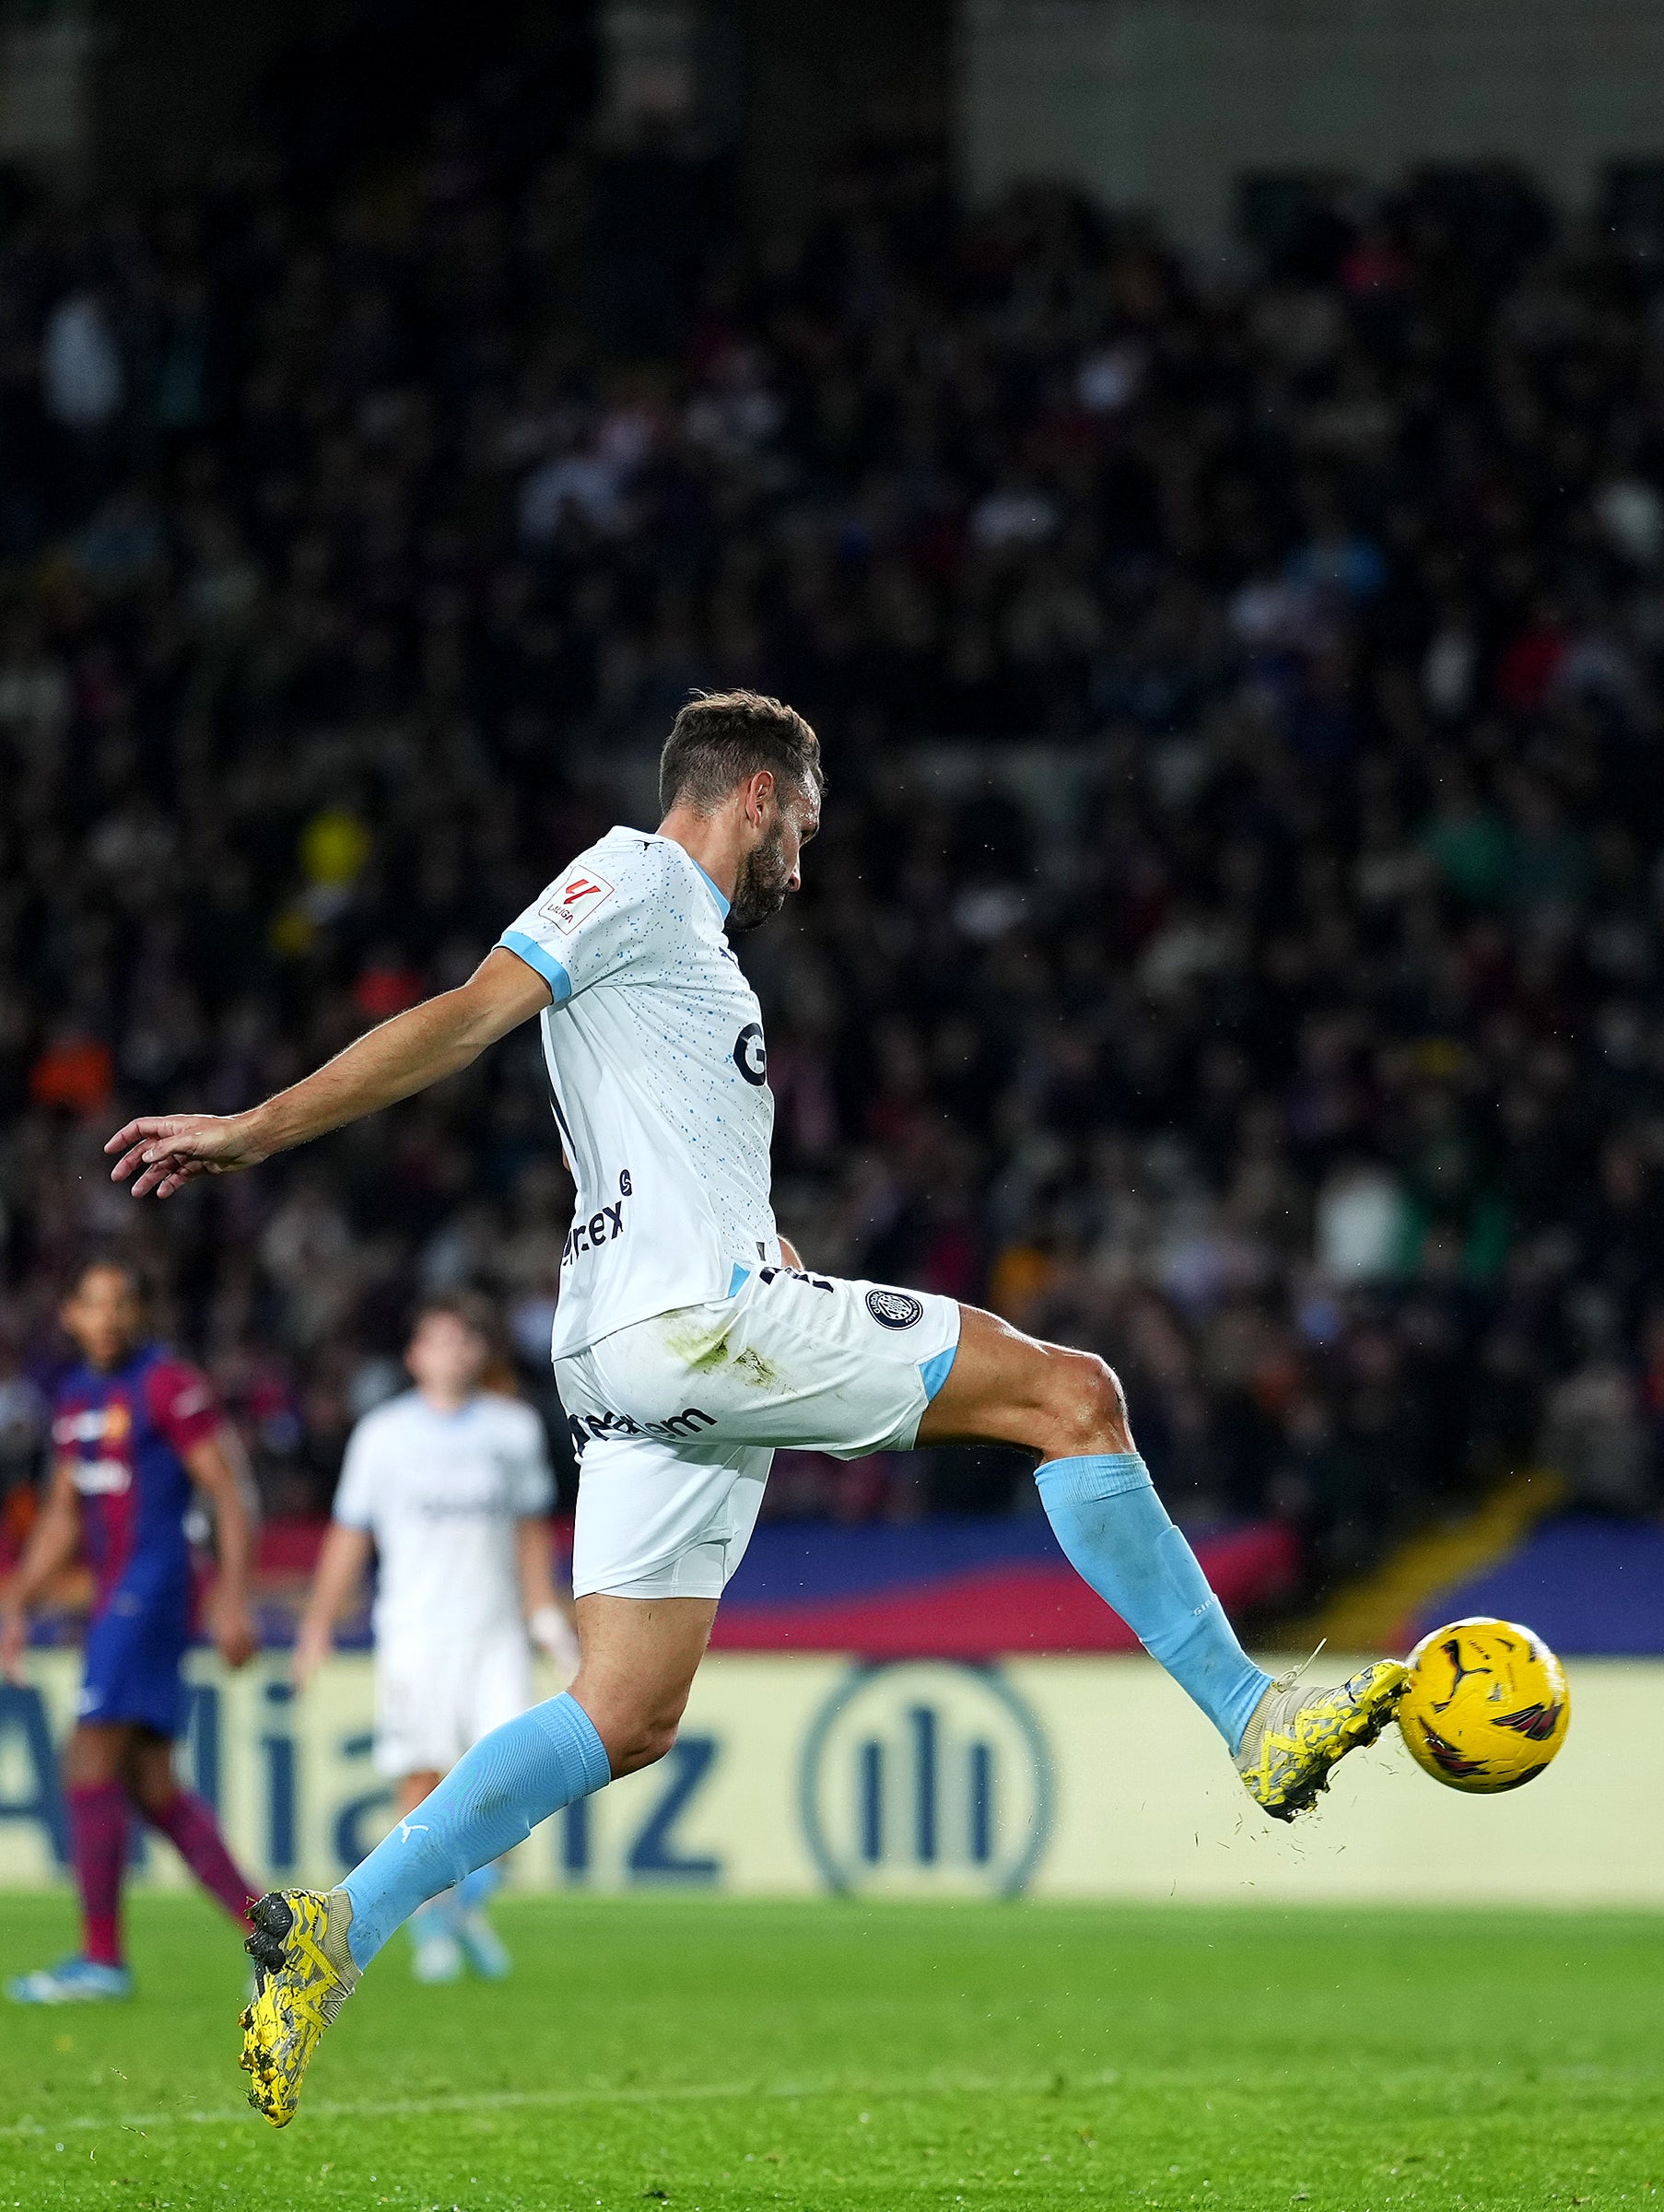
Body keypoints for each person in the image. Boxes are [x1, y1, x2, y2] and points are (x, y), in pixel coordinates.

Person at [103, 689, 1408, 2125]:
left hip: (641, 1352)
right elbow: (470, 1014)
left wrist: (768, 1246)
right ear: (754, 794)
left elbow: (660, 1140)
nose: (809, 849)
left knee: (625, 1708)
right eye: (807, 819)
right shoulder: (638, 876)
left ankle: (336, 1928)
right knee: (1073, 1393)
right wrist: (252, 1129)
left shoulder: (694, 957)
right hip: (686, 1326)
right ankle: (1250, 1719)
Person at [0, 1259, 267, 2002]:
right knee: (149, 1782)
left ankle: (101, 1960)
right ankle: (275, 1938)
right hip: (116, 1592)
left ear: (138, 1314)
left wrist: (232, 1596)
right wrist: (17, 1601)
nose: (108, 1317)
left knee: (88, 1755)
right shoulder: (76, 1397)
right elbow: (60, 1512)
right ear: (69, 1315)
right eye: (94, 1303)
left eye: (122, 1303)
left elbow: (228, 1492)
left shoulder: (166, 1385)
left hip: (154, 1588)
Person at [291, 1294, 574, 1985]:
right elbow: (349, 1535)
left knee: (510, 1785)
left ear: (478, 1353)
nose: (452, 1352)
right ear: (415, 1357)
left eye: (463, 1340)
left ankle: (461, 1903)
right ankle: (439, 1930)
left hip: (493, 1633)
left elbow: (530, 1535)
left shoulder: (511, 1430)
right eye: (437, 1340)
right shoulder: (383, 1435)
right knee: (422, 1782)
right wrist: (318, 1625)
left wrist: (548, 1621)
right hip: (415, 1635)